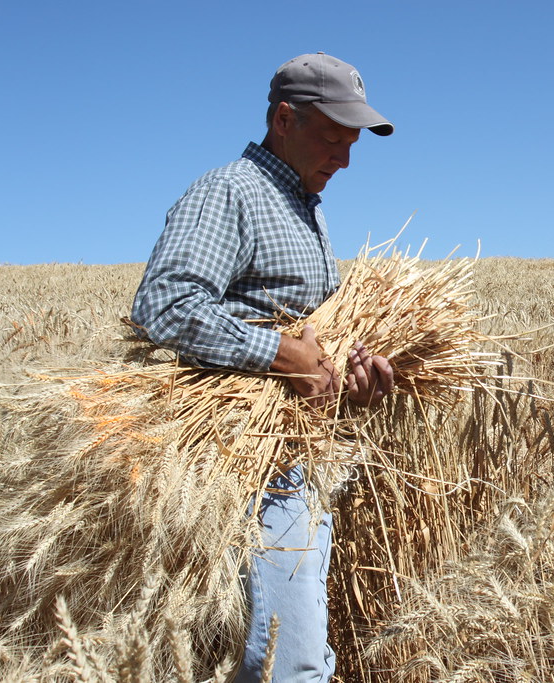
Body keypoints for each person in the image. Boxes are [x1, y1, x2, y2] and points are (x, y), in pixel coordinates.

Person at [130, 52, 395, 682]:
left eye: (352, 142)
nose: (345, 158)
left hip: (301, 461)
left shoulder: (305, 206)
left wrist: (348, 381)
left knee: (299, 655)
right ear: (283, 118)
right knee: (290, 662)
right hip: (247, 466)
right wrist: (284, 354)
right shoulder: (232, 192)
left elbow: (308, 349)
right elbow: (163, 306)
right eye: (333, 138)